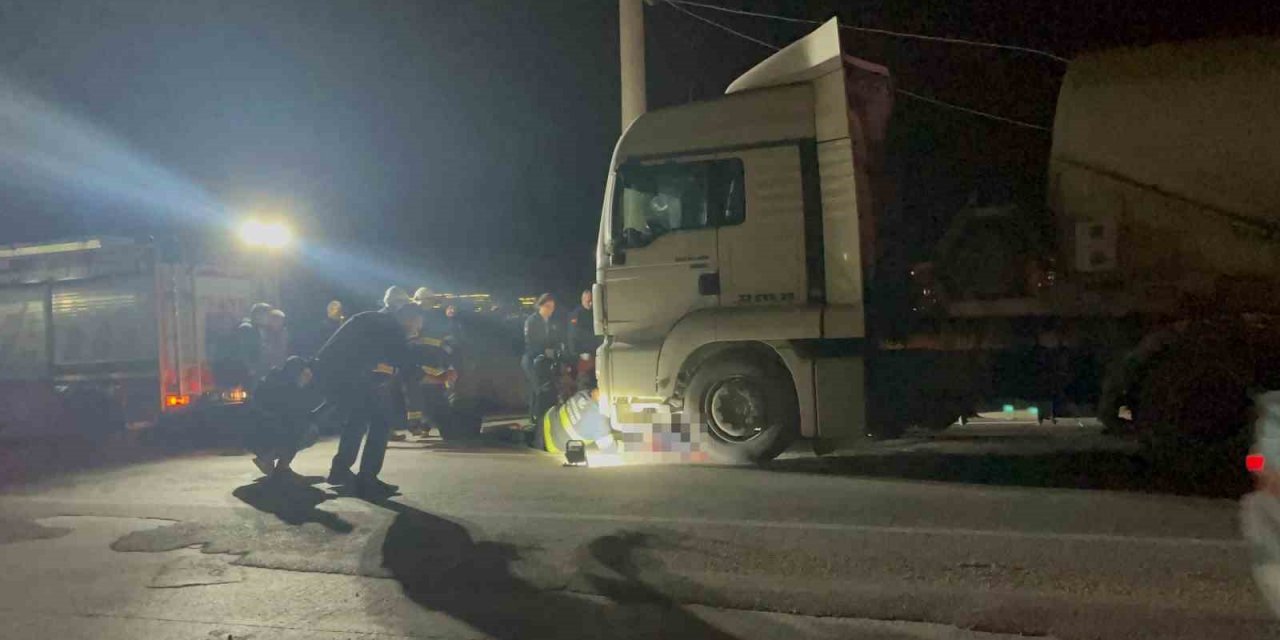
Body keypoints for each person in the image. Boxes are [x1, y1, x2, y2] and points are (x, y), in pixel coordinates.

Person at [312, 299, 424, 498]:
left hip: (333, 370)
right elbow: (405, 365)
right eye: (418, 322)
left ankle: (340, 472)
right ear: (410, 320)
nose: (419, 327)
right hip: (350, 375)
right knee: (381, 420)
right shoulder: (393, 328)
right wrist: (434, 375)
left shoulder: (375, 318)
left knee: (358, 418)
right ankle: (367, 478)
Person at [247, 356, 317, 480]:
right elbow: (294, 417)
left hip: (251, 435)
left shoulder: (271, 380)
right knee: (307, 430)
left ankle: (272, 459)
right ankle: (272, 461)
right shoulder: (288, 389)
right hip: (265, 435)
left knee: (294, 426)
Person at [522, 293, 562, 426]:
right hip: (532, 359)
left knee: (548, 389)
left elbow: (555, 340)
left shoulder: (551, 323)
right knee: (537, 389)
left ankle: (544, 417)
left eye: (553, 307)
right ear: (540, 306)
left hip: (546, 360)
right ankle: (534, 418)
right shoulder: (532, 321)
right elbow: (530, 343)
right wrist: (543, 350)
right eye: (548, 306)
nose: (551, 310)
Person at [231, 302, 273, 388]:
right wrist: (251, 368)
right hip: (251, 374)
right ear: (258, 315)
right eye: (267, 315)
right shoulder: (247, 328)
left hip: (262, 371)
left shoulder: (263, 329)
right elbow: (243, 351)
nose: (269, 318)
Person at [567, 289, 600, 392]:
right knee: (585, 384)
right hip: (583, 356)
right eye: (588, 301)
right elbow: (574, 335)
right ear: (583, 300)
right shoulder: (577, 314)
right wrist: (578, 353)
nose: (590, 303)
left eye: (591, 300)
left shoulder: (596, 313)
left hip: (596, 354)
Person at [260, 308, 290, 372]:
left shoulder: (284, 332)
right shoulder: (264, 333)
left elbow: (285, 347)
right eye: (275, 320)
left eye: (281, 320)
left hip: (282, 364)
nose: (279, 323)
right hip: (267, 366)